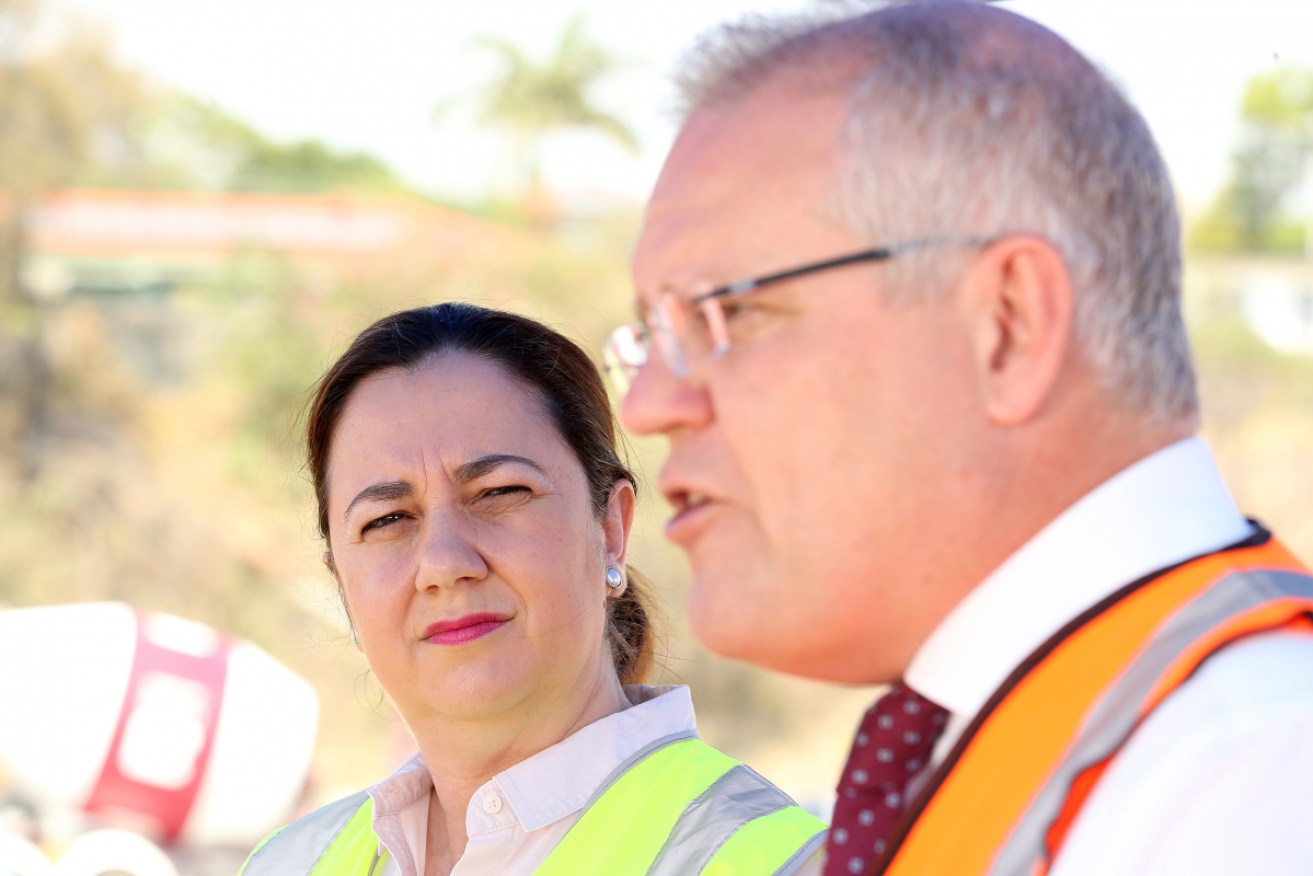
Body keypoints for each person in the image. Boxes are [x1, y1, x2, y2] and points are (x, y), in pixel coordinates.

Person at [605, 2, 1313, 875]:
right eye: (650, 335)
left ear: (1008, 325)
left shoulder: (1250, 782)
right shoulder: (1089, 727)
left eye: (730, 312)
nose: (646, 403)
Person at [241, 302, 825, 875]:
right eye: (387, 519)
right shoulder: (291, 863)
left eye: (498, 492)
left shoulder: (779, 862)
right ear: (340, 580)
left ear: (611, 529)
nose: (444, 563)